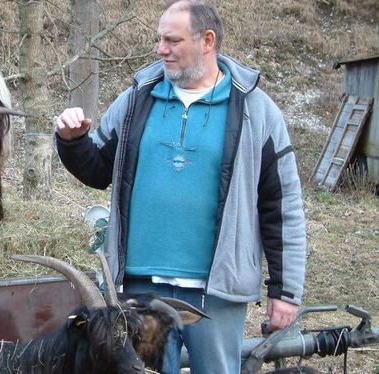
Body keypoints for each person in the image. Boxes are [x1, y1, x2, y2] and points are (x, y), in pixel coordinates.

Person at [54, 0, 307, 373]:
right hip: (140, 290)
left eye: (172, 41)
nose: (160, 50)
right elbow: (97, 170)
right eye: (160, 40)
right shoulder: (138, 98)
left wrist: (285, 292)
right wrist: (74, 141)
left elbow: (281, 207)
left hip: (215, 293)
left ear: (207, 40)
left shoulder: (257, 111)